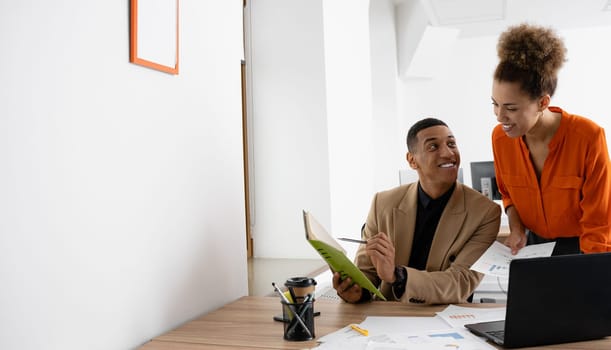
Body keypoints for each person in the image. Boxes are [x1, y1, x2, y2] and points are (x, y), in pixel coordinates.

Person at [333, 118, 501, 304]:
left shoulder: (485, 212)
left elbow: (460, 282)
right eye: (433, 147)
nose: (448, 153)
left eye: (451, 143)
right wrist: (356, 291)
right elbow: (366, 272)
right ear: (412, 161)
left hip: (446, 318)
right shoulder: (383, 203)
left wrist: (398, 276)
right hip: (390, 318)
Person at [491, 23, 611, 255]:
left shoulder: (588, 137)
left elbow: (599, 221)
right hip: (533, 246)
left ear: (543, 103)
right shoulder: (501, 138)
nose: (499, 117)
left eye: (511, 108)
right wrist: (516, 228)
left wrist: (594, 276)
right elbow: (507, 194)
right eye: (494, 104)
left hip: (582, 246)